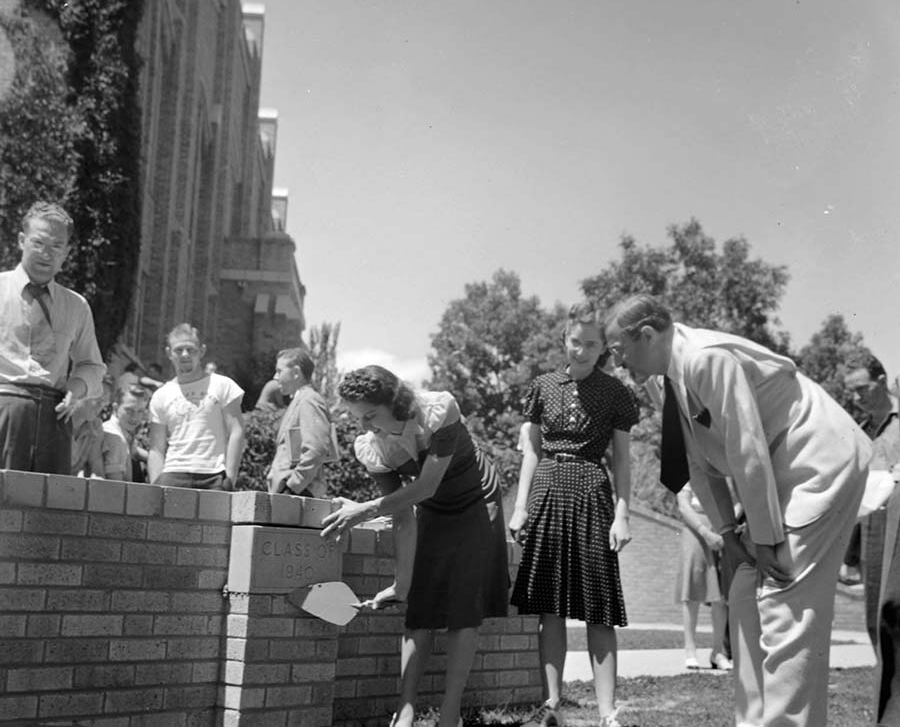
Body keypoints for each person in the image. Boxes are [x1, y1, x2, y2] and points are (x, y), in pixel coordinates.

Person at [604, 294, 871, 727]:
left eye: (618, 351)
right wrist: (728, 533)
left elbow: (747, 449)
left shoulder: (706, 360)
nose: (618, 364)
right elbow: (696, 462)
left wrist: (766, 539)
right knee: (745, 589)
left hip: (818, 463)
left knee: (786, 601)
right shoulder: (662, 380)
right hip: (775, 471)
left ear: (647, 336)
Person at [321, 365, 508, 727]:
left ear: (394, 401)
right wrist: (400, 584)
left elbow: (425, 486)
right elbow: (404, 515)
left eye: (371, 416)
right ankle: (404, 712)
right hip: (434, 507)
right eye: (357, 418)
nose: (365, 427)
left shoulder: (439, 409)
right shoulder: (372, 447)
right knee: (419, 607)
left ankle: (449, 714)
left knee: (463, 607)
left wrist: (363, 511)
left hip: (475, 500)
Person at [508, 301, 638, 727]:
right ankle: (552, 705)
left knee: (598, 606)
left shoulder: (616, 393)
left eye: (592, 344)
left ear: (603, 348)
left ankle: (607, 713)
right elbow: (529, 452)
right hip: (546, 487)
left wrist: (623, 515)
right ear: (564, 339)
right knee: (551, 606)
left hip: (591, 492)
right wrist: (521, 505)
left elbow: (621, 462)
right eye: (575, 342)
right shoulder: (543, 386)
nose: (582, 351)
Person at [0, 201, 106, 474]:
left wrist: (77, 389)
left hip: (55, 416)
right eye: (38, 243)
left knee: (49, 510)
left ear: (66, 253)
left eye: (56, 246)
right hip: (5, 404)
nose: (45, 254)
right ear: (22, 241)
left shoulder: (76, 306)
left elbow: (92, 364)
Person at [844, 356, 900, 724]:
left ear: (883, 381)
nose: (858, 398)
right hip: (872, 541)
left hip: (897, 536)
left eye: (863, 389)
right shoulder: (864, 430)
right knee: (875, 627)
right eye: (853, 393)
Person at [147, 324, 245, 490]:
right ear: (168, 353)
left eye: (191, 350)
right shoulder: (161, 395)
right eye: (178, 350)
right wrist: (156, 484)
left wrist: (230, 478)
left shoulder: (222, 385)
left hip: (213, 475)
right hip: (172, 474)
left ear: (201, 351)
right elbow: (156, 448)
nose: (185, 355)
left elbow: (237, 431)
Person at [266, 347, 336, 497]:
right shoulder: (300, 400)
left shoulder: (309, 400)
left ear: (296, 372)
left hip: (299, 493)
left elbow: (316, 448)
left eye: (279, 371)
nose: (275, 377)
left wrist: (293, 486)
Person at [676, 484, 731, 671]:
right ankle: (690, 651)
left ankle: (718, 652)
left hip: (721, 531)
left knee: (721, 595)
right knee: (692, 592)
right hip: (694, 533)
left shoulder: (725, 469)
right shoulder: (686, 474)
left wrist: (725, 527)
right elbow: (683, 506)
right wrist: (705, 531)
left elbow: (738, 501)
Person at [101, 384, 150, 481]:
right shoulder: (115, 438)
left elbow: (135, 451)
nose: (135, 417)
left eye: (140, 411)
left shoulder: (124, 430)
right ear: (115, 408)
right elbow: (115, 487)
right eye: (129, 410)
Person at [70, 396, 104, 477]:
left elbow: (96, 465)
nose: (100, 406)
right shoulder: (54, 421)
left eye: (104, 402)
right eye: (97, 400)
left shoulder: (96, 425)